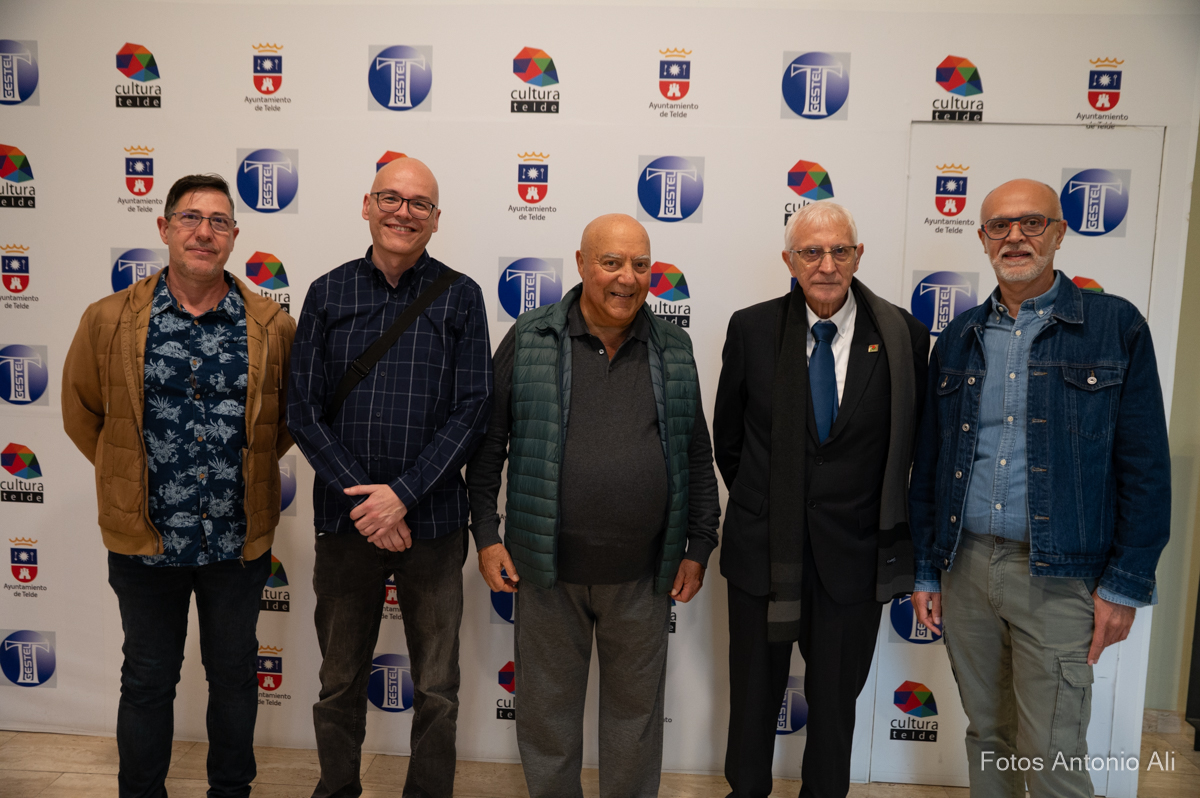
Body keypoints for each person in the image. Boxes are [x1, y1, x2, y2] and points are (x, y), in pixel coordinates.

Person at [909, 178, 1170, 798]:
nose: (1015, 237)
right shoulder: (959, 337)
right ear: (982, 239)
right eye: (999, 226)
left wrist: (1125, 584)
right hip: (966, 569)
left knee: (1053, 754)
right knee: (987, 735)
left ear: (1059, 232)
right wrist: (926, 570)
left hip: (1060, 578)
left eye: (1032, 223)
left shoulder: (1115, 327)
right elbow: (932, 464)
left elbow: (1146, 467)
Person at [466, 213, 720, 798]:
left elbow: (695, 451)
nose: (627, 277)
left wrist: (700, 544)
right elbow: (488, 448)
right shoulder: (531, 338)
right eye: (611, 262)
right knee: (547, 720)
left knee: (635, 723)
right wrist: (486, 536)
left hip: (644, 577)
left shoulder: (673, 346)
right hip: (545, 572)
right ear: (581, 264)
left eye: (640, 264)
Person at [61, 173, 295, 798]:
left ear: (234, 237)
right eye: (190, 218)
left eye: (219, 222)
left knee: (235, 677)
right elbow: (83, 414)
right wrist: (128, 478)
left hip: (236, 539)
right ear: (164, 228)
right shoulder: (109, 319)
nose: (203, 232)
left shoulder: (272, 325)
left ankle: (230, 792)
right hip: (145, 539)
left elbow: (283, 423)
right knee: (147, 679)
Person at [288, 156, 492, 798]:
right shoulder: (327, 292)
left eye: (419, 203)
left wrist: (402, 496)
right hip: (345, 523)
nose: (404, 212)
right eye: (391, 198)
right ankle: (336, 790)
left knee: (436, 687)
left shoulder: (461, 296)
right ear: (367, 205)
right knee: (338, 681)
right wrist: (368, 504)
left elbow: (473, 408)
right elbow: (302, 409)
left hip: (433, 524)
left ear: (436, 219)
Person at [714, 201, 929, 798]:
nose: (826, 264)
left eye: (839, 251)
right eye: (811, 252)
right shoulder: (751, 329)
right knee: (753, 696)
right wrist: (768, 504)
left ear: (858, 256)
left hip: (853, 557)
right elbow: (728, 439)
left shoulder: (903, 335)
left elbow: (913, 445)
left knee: (835, 705)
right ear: (789, 260)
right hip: (763, 552)